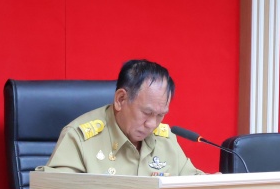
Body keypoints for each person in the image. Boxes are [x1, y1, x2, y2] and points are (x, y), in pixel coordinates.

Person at [40, 59, 205, 176]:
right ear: (120, 100)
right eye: (147, 113)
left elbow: (194, 185)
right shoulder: (79, 138)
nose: (152, 124)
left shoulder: (166, 139)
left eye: (160, 115)